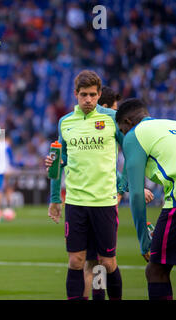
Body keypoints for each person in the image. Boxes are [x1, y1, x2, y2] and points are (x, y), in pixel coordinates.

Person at [45, 70, 124, 300]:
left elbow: (131, 154)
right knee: (76, 261)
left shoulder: (112, 118)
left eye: (92, 94)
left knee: (107, 262)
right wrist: (54, 199)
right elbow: (61, 160)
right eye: (83, 95)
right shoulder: (65, 122)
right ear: (75, 95)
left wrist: (125, 186)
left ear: (99, 94)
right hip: (76, 202)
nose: (87, 99)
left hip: (104, 202)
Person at [82, 86, 154, 300]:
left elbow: (125, 165)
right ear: (104, 108)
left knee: (99, 261)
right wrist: (129, 187)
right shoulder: (102, 127)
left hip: (100, 199)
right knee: (97, 261)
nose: (118, 114)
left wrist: (128, 187)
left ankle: (98, 296)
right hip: (98, 200)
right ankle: (97, 296)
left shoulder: (110, 133)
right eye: (114, 109)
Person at [115, 98, 176, 300]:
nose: (124, 139)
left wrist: (144, 242)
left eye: (121, 131)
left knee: (155, 270)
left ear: (128, 122)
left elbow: (137, 193)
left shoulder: (134, 135)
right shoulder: (169, 124)